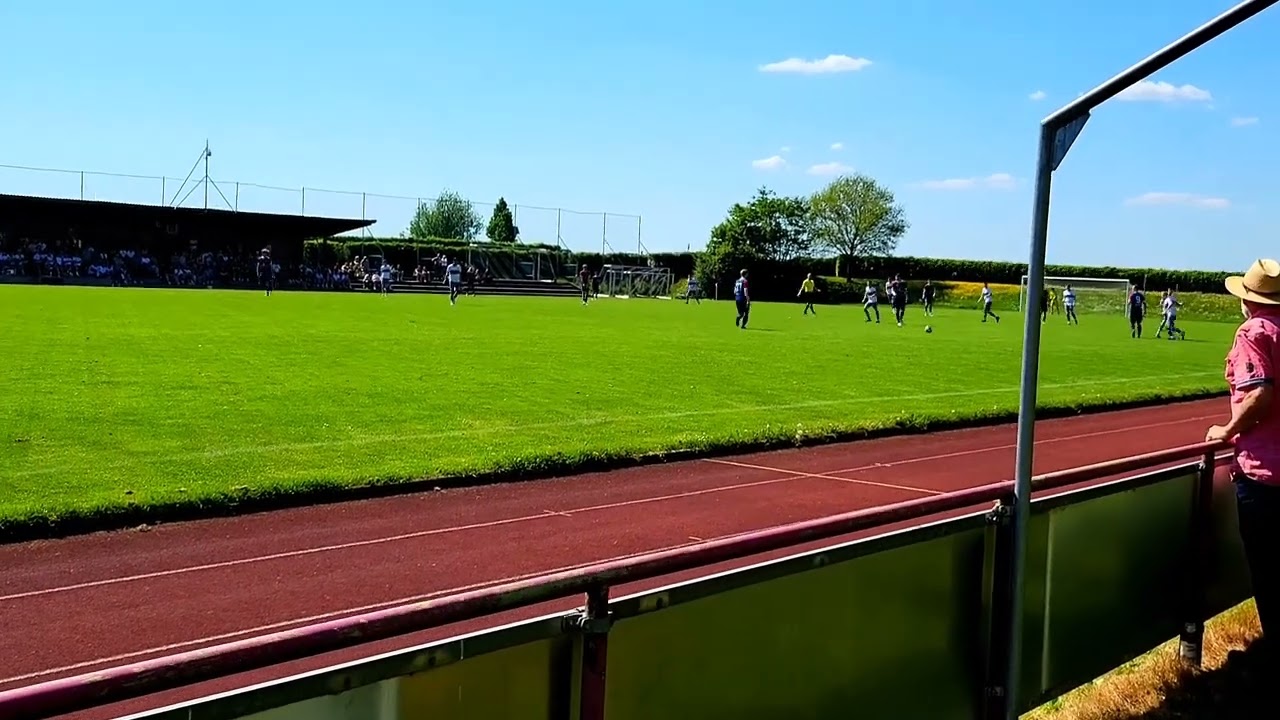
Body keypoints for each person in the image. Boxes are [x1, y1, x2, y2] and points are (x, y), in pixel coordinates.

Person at [1206, 258, 1280, 663]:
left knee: (1268, 572)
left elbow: (1259, 394)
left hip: (1266, 476)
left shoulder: (1254, 331)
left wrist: (1228, 430)